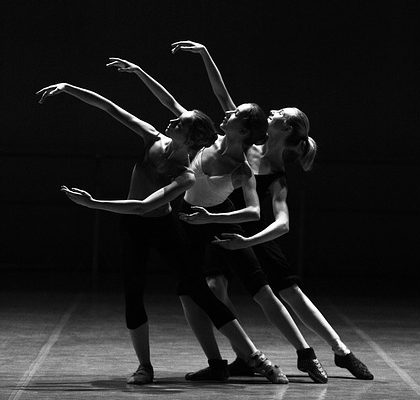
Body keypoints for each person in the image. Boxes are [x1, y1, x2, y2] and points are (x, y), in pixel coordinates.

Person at [36, 62, 288, 385]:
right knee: (133, 291)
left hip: (162, 226)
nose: (171, 120)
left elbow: (144, 206)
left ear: (189, 137)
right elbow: (111, 108)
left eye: (179, 123)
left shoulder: (185, 176)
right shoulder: (152, 137)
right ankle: (145, 366)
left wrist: (92, 203)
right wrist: (68, 88)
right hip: (134, 228)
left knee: (198, 290)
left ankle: (256, 358)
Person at [171, 39, 374, 381]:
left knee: (287, 291)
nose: (273, 112)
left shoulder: (277, 176)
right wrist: (206, 54)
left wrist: (249, 241)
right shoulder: (247, 145)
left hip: (256, 233)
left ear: (288, 129)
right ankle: (241, 355)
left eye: (280, 114)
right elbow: (223, 97)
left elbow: (281, 224)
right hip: (226, 224)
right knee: (215, 285)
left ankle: (340, 351)